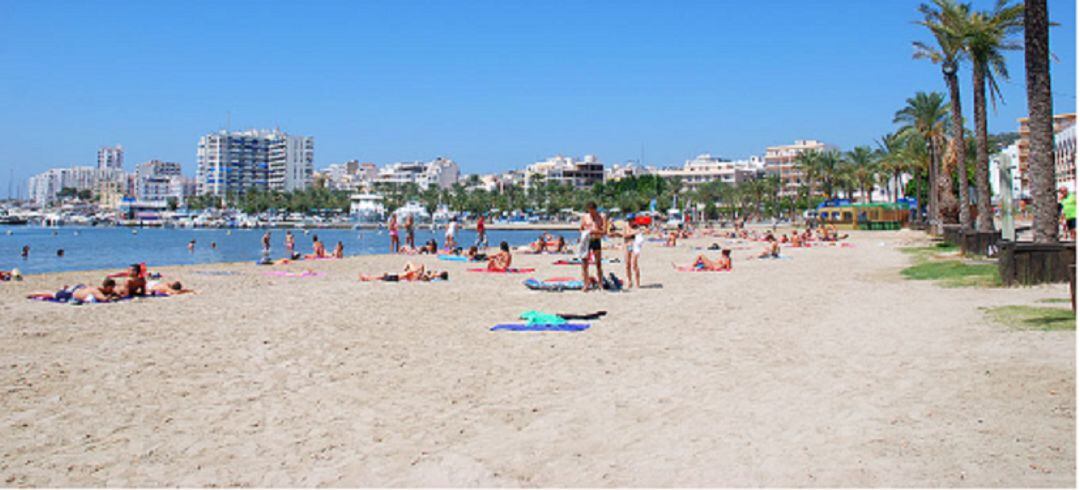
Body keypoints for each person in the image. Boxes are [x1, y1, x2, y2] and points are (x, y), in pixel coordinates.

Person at [28, 278, 119, 304]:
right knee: (52, 295)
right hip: (71, 294)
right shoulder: (96, 291)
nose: (112, 290)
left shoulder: (97, 288)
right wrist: (113, 297)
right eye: (112, 288)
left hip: (78, 288)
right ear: (108, 287)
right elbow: (105, 299)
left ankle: (64, 288)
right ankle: (33, 294)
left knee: (54, 294)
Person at [580, 202, 605, 292]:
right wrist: (586, 231)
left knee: (598, 263)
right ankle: (586, 283)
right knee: (584, 263)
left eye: (593, 211)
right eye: (590, 211)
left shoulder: (601, 217)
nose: (591, 213)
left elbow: (604, 231)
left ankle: (600, 283)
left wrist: (594, 231)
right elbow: (581, 228)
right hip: (587, 240)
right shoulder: (585, 217)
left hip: (596, 239)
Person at [360, 262, 448, 282]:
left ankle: (367, 278)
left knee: (382, 277)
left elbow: (423, 278)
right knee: (383, 276)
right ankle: (367, 277)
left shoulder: (432, 277)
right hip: (406, 276)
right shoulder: (432, 276)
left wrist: (417, 272)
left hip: (404, 277)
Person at [622, 217, 644, 289]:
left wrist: (632, 233)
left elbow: (640, 236)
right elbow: (624, 235)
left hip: (635, 246)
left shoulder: (637, 227)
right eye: (629, 220)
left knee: (634, 264)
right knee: (627, 264)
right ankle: (629, 281)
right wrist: (633, 234)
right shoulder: (625, 226)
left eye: (631, 220)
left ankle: (638, 282)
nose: (630, 222)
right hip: (627, 245)